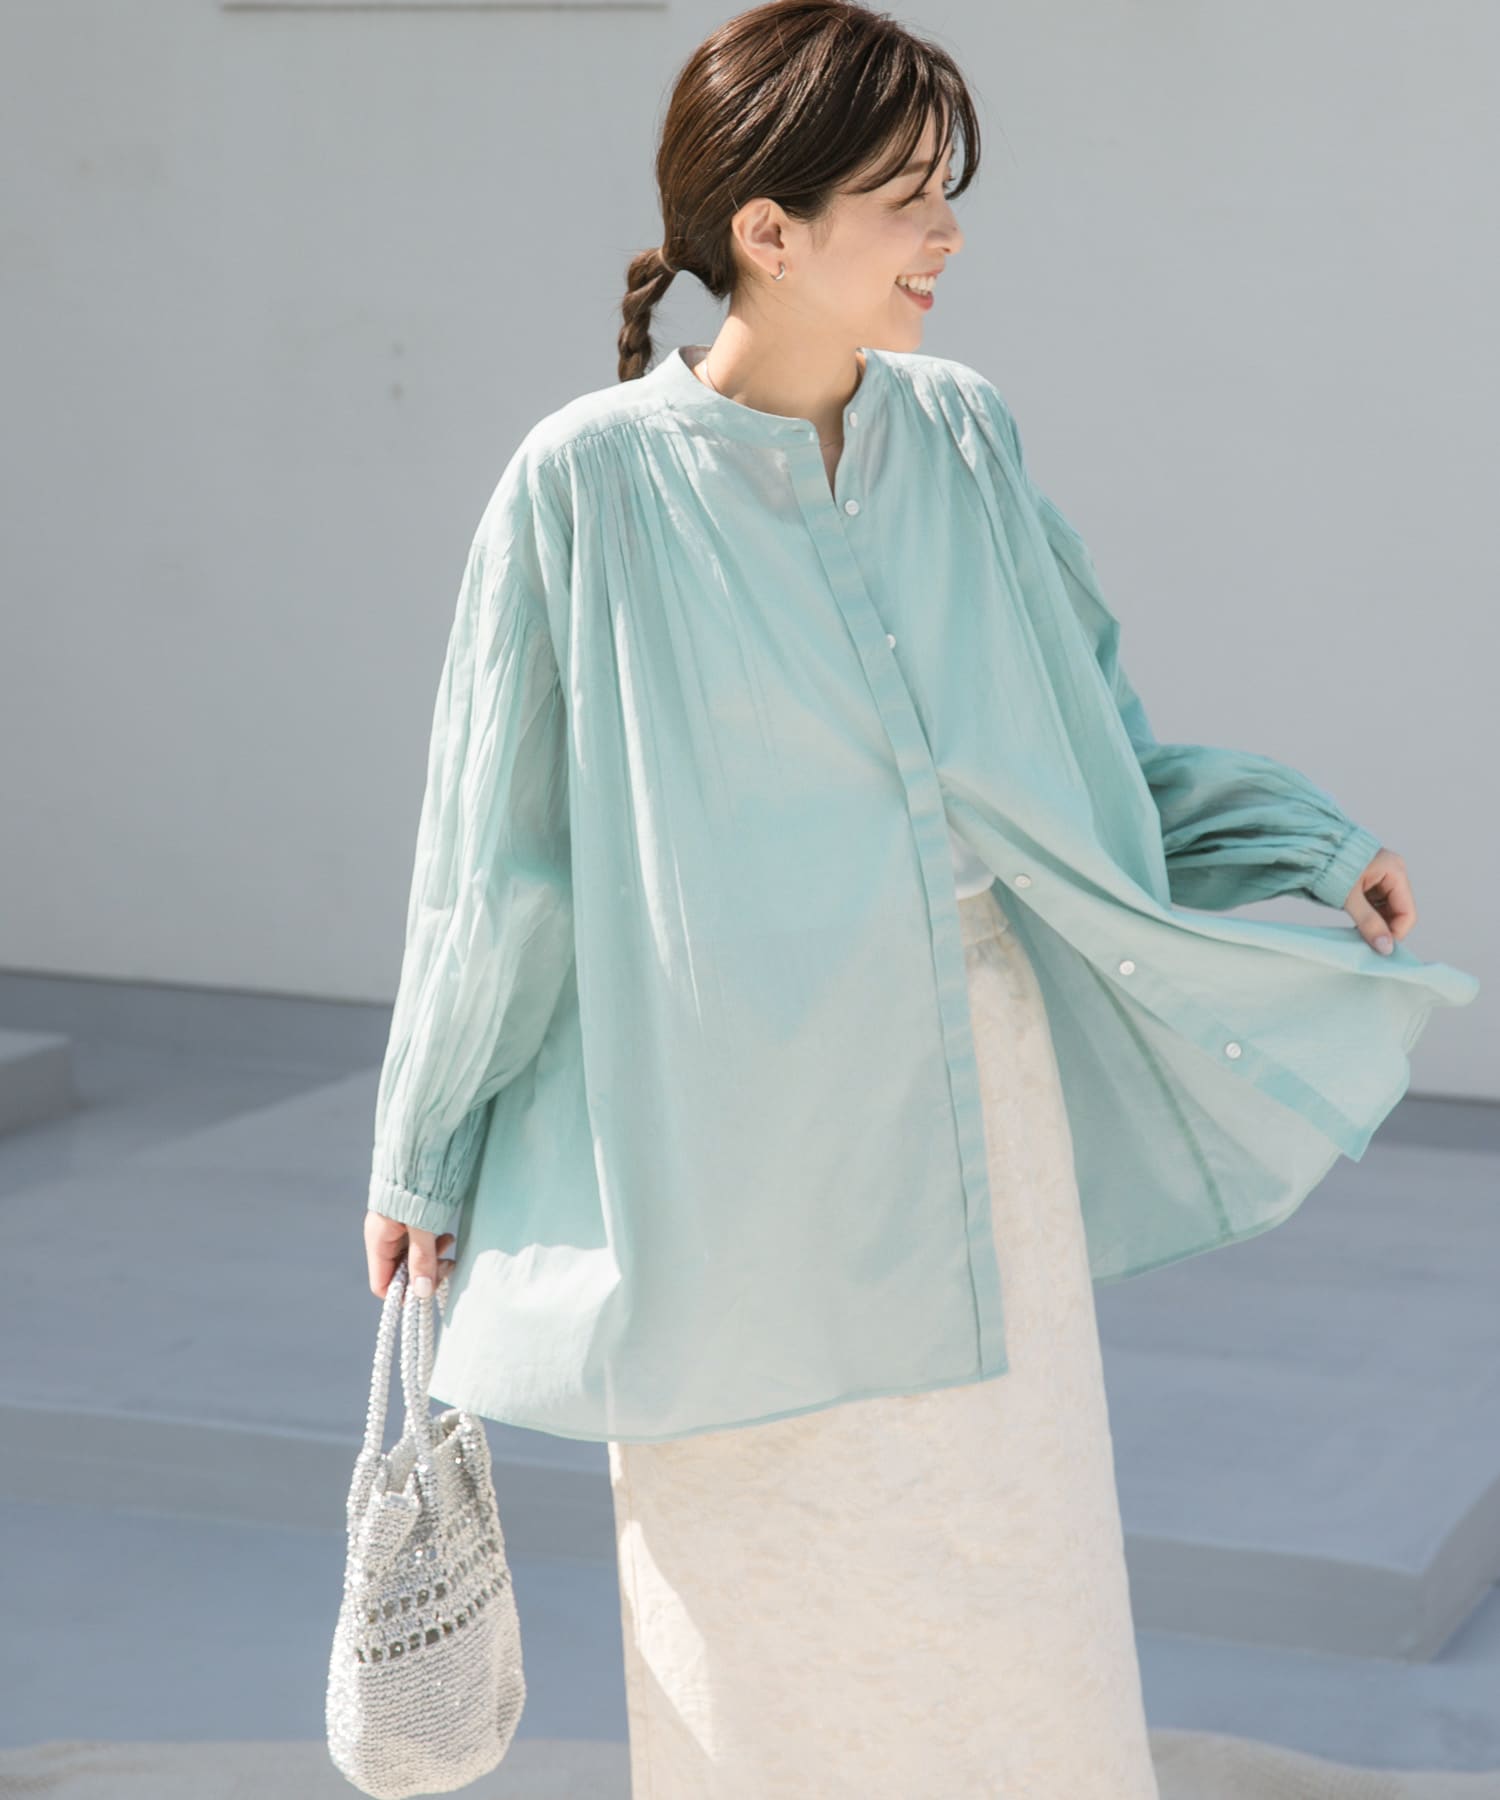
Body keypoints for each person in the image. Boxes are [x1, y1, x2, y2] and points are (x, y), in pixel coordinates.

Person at [362, 2, 1477, 1791]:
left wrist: (1294, 841)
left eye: (946, 192)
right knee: (764, 1593)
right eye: (905, 198)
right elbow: (499, 863)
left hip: (980, 1109)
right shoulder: (587, 485)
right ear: (768, 230)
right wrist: (427, 1148)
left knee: (1010, 1571)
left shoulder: (962, 437)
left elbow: (1082, 749)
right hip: (727, 1149)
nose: (948, 234)